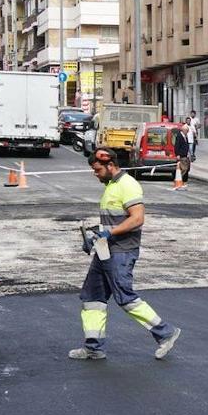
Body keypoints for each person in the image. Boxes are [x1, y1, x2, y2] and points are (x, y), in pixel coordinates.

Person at [70, 148, 181, 361]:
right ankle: (94, 347)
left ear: (110, 165)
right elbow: (113, 221)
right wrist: (94, 236)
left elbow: (137, 218)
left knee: (125, 297)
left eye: (97, 170)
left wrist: (109, 232)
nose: (95, 174)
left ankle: (165, 333)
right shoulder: (111, 185)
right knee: (92, 298)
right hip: (104, 251)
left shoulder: (128, 185)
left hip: (121, 252)